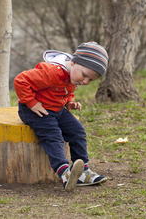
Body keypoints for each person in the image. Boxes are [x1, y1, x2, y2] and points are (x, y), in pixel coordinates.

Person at [14, 42, 109, 191]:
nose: (85, 81)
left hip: (56, 109)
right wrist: (32, 103)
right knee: (53, 135)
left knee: (77, 131)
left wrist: (69, 102)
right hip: (35, 111)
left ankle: (83, 171)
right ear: (73, 62)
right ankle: (64, 172)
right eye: (84, 75)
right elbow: (21, 80)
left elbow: (66, 90)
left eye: (90, 80)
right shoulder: (51, 72)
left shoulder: (73, 75)